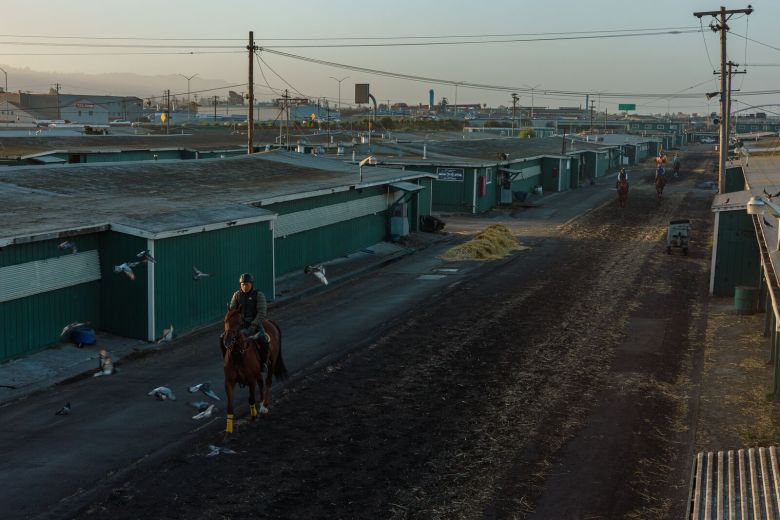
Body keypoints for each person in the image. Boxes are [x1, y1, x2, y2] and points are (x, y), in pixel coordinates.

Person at [228, 273, 270, 349]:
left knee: (263, 339)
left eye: (246, 284)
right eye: (242, 284)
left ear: (251, 284)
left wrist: (254, 324)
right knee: (224, 339)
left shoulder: (259, 295)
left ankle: (265, 360)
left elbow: (262, 312)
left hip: (255, 322)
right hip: (240, 323)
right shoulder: (237, 295)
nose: (244, 287)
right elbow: (232, 311)